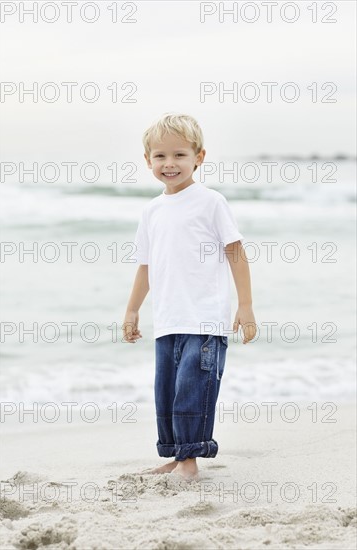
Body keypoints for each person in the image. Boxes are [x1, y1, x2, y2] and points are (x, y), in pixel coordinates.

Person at [122, 112, 256, 481]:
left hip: (205, 319)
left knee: (193, 390)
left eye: (180, 155)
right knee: (166, 392)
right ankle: (175, 454)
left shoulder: (210, 201)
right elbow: (146, 265)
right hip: (168, 320)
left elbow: (235, 252)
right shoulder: (151, 211)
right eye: (160, 156)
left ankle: (190, 463)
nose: (169, 164)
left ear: (199, 156)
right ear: (147, 160)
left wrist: (245, 306)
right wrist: (133, 310)